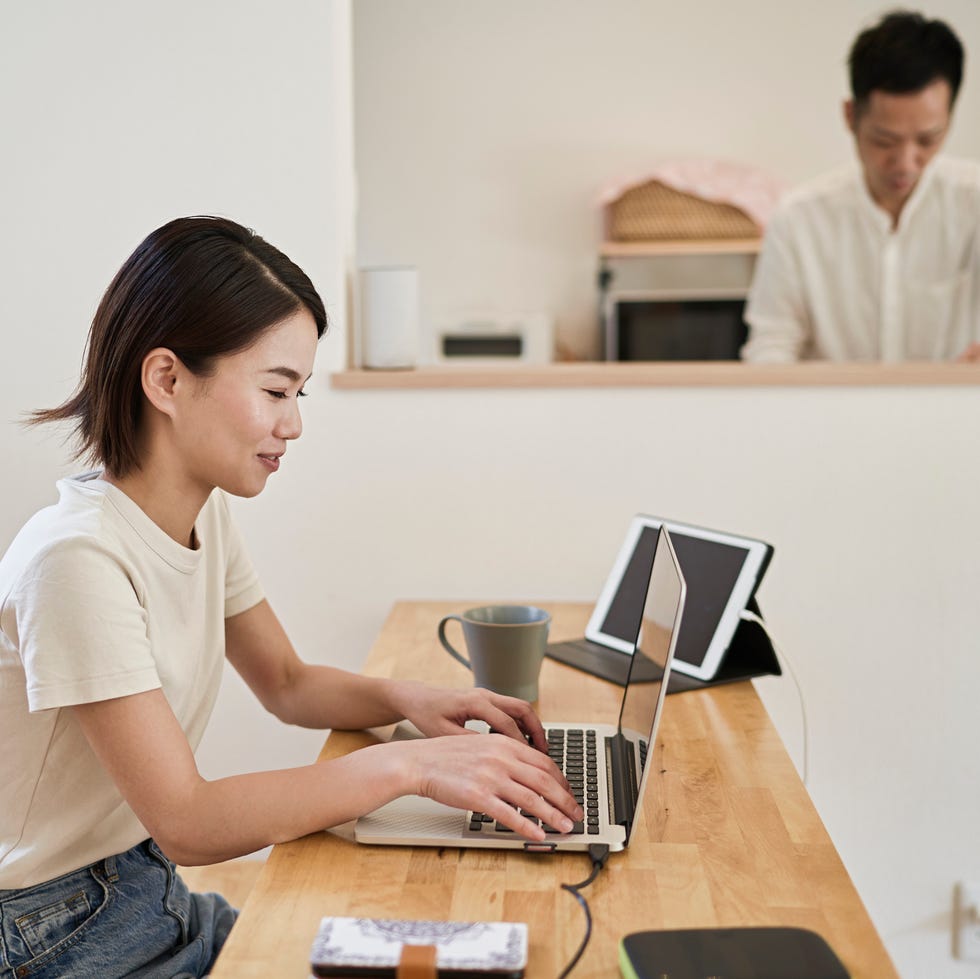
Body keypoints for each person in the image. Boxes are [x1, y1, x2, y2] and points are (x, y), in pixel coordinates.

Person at [0, 215, 581, 979]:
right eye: (277, 389)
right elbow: (189, 820)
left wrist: (416, 703)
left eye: (299, 392)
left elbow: (287, 682)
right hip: (54, 933)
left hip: (144, 890)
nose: (294, 423)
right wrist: (413, 768)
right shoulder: (75, 559)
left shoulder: (200, 510)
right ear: (167, 379)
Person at [741, 10, 980, 363]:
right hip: (828, 415)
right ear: (851, 116)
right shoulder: (799, 220)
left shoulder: (973, 202)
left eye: (927, 139)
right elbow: (770, 347)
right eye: (885, 141)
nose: (905, 162)